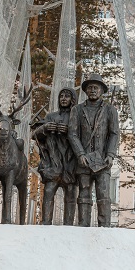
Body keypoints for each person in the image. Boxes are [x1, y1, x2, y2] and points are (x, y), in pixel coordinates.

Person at [67, 75, 120, 227]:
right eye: (90, 87)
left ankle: (105, 228)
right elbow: (72, 133)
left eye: (96, 87)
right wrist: (80, 154)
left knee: (103, 195)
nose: (93, 90)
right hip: (83, 161)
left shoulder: (110, 110)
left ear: (102, 90)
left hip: (102, 160)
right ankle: (83, 226)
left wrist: (110, 154)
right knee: (83, 194)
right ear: (85, 91)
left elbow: (114, 133)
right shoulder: (77, 110)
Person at [32, 87, 79, 225]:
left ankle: (69, 226)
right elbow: (35, 135)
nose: (63, 98)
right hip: (53, 160)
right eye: (61, 96)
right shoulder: (51, 116)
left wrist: (69, 131)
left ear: (73, 100)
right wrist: (45, 128)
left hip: (71, 161)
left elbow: (84, 138)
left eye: (67, 96)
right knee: (49, 191)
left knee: (70, 194)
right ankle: (46, 223)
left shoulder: (77, 117)